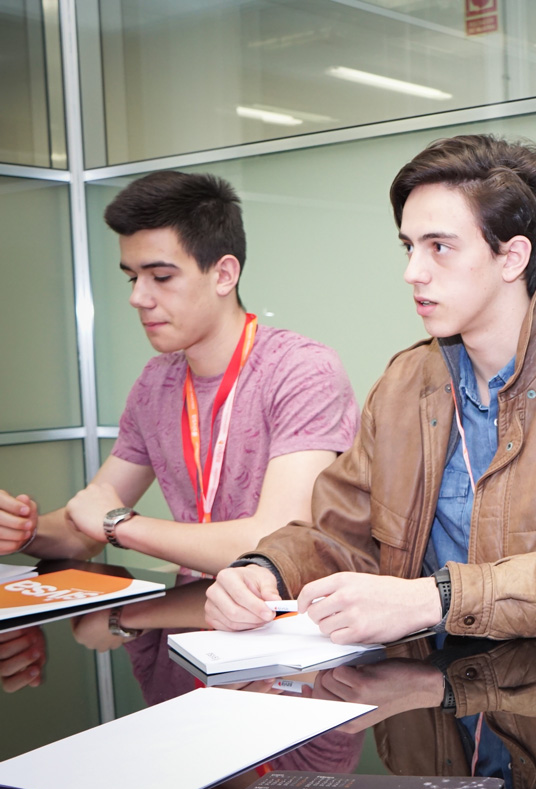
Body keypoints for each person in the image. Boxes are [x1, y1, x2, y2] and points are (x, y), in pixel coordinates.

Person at [204, 133, 536, 643]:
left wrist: (437, 598)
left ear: (512, 258)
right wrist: (265, 569)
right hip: (434, 695)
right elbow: (340, 535)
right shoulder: (404, 384)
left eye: (439, 247)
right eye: (409, 247)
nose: (412, 272)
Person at [0, 170, 359, 648]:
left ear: (224, 274)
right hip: (195, 625)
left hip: (289, 639)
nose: (137, 298)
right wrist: (24, 533)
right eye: (132, 277)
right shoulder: (157, 381)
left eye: (161, 277)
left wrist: (119, 524)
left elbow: (272, 543)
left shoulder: (301, 369)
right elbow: (83, 526)